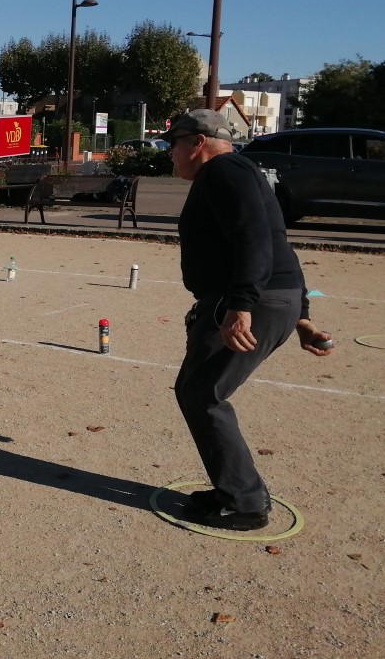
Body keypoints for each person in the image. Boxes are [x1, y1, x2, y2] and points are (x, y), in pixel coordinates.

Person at [163, 110, 333, 531]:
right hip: (269, 298)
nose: (171, 154)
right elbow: (278, 244)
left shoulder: (224, 172)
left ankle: (244, 502)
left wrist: (241, 306)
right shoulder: (242, 172)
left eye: (173, 145)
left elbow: (254, 239)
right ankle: (234, 490)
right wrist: (302, 317)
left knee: (204, 395)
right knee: (198, 391)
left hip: (247, 302)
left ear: (197, 142)